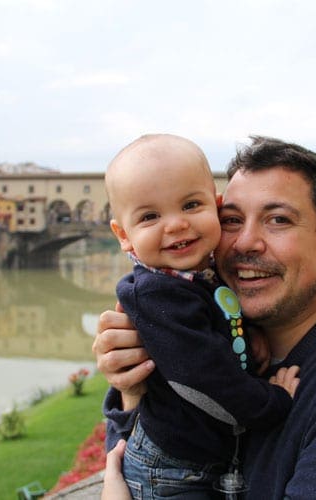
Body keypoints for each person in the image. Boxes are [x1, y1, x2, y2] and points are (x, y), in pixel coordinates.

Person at [95, 136, 316, 498]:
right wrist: (133, 388)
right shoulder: (216, 330)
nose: (245, 242)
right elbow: (141, 457)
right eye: (233, 220)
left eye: (278, 219)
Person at [104, 133, 299, 498]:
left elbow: (217, 320)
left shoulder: (199, 277)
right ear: (123, 235)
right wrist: (272, 402)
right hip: (172, 470)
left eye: (191, 205)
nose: (176, 224)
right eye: (150, 216)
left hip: (195, 460)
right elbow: (204, 380)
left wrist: (248, 331)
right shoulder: (157, 293)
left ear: (216, 204)